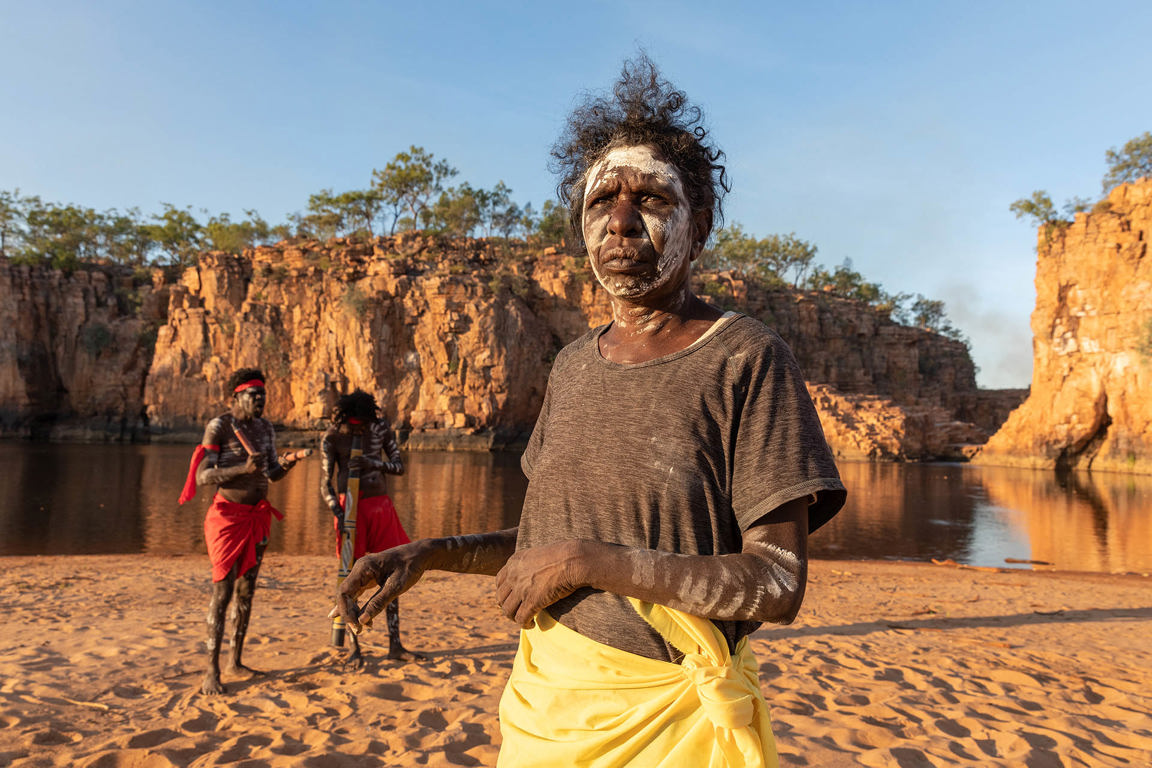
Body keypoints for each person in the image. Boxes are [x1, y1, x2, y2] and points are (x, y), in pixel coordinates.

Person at [333, 56, 847, 766]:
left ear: (698, 228)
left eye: (652, 200)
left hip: (674, 724)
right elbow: (548, 545)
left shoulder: (746, 358)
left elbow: (777, 582)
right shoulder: (573, 364)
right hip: (548, 712)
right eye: (603, 200)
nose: (623, 221)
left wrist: (590, 561)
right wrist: (431, 553)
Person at [178, 367, 310, 695]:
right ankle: (211, 669)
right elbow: (203, 477)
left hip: (257, 516)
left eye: (263, 395)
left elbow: (272, 473)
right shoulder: (220, 426)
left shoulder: (265, 428)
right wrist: (241, 468)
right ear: (236, 397)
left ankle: (234, 661)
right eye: (254, 395)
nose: (261, 401)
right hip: (226, 518)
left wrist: (288, 462)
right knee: (222, 593)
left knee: (247, 590)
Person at [320, 389, 421, 663]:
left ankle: (395, 644)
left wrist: (372, 462)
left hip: (380, 507)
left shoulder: (379, 429)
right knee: (353, 576)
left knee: (393, 572)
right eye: (356, 424)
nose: (360, 428)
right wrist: (336, 511)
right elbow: (325, 482)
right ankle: (355, 647)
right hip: (349, 510)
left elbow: (399, 467)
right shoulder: (333, 435)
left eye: (363, 423)